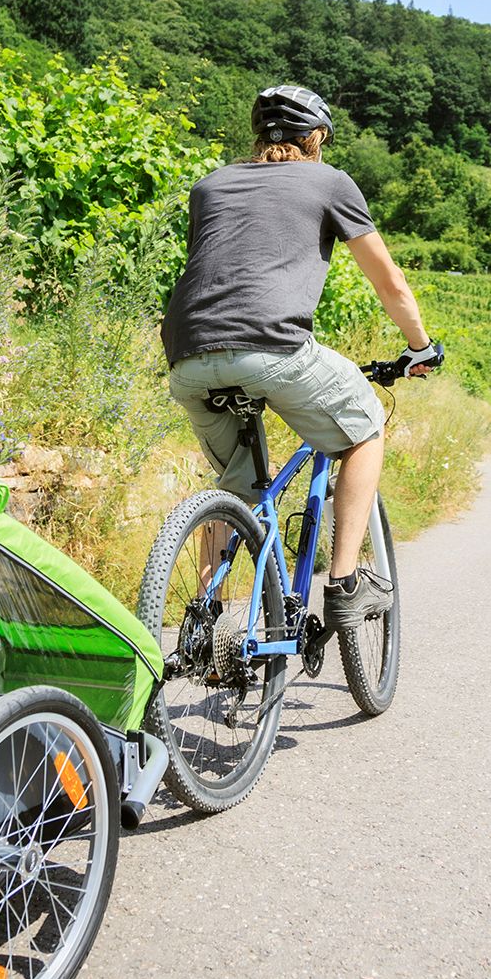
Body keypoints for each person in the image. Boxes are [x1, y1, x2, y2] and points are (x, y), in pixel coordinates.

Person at [160, 85, 443, 633]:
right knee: (364, 429)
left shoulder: (210, 186)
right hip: (272, 346)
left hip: (187, 357)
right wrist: (418, 347)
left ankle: (202, 620)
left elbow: (219, 270)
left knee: (234, 488)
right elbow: (390, 284)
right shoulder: (329, 182)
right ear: (316, 138)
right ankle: (344, 586)